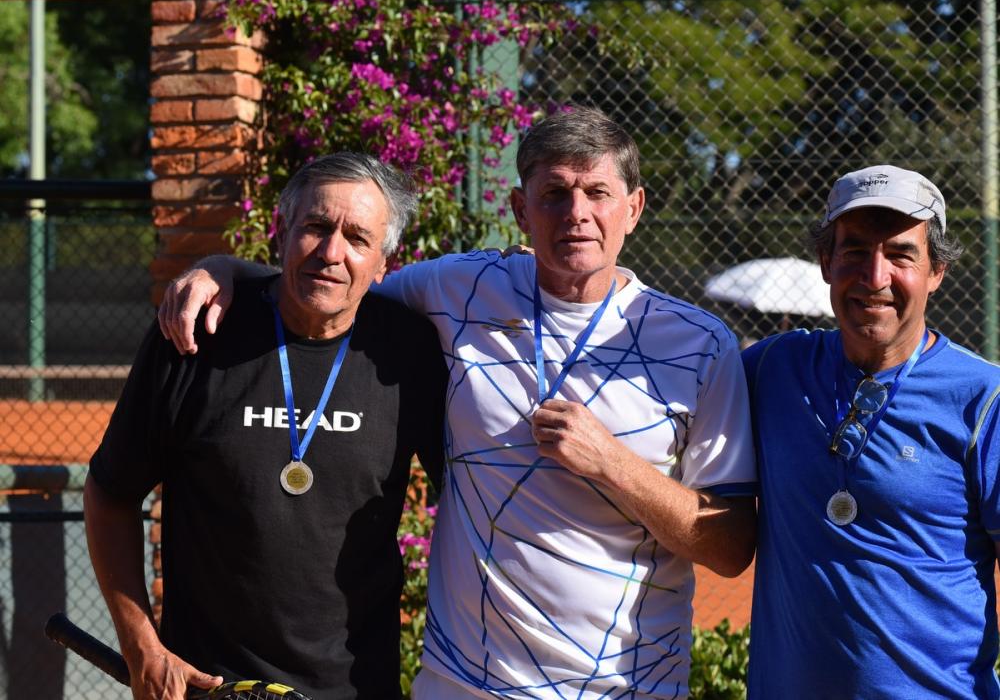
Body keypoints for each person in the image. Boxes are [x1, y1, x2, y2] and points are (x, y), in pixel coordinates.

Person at [161, 106, 757, 698]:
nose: (576, 213)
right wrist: (224, 269)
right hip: (463, 683)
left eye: (597, 192)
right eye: (554, 193)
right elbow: (337, 282)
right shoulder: (456, 288)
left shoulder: (700, 344)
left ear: (634, 207)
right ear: (520, 209)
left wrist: (612, 462)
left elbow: (730, 547)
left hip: (629, 687)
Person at [84, 152, 447, 700]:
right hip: (207, 686)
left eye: (357, 238)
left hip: (355, 688)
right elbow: (110, 495)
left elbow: (474, 499)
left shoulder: (410, 353)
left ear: (383, 263)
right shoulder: (197, 333)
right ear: (283, 231)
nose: (331, 252)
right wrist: (142, 647)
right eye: (316, 227)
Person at [743, 164, 1000, 698]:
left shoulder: (984, 399)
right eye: (855, 251)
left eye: (901, 254)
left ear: (936, 271)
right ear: (826, 262)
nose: (875, 275)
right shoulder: (772, 369)